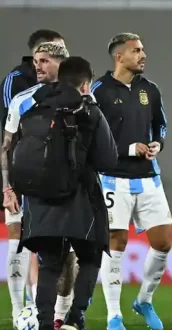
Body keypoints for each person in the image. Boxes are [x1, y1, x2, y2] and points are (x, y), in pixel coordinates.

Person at [7, 56, 117, 330]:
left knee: (50, 264)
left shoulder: (33, 105)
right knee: (91, 257)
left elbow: (13, 149)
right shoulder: (88, 110)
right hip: (80, 198)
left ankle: (44, 324)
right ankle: (75, 318)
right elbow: (108, 160)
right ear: (86, 84)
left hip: (39, 199)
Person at [93, 32, 170, 330]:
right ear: (119, 56)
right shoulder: (99, 90)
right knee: (116, 243)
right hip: (113, 178)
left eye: (142, 50)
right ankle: (114, 314)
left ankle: (144, 300)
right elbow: (93, 136)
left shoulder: (150, 89)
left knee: (163, 243)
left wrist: (157, 144)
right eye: (136, 50)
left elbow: (160, 125)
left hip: (148, 177)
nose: (142, 55)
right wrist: (127, 149)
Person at [1, 41, 78, 328]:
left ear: (61, 63)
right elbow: (6, 146)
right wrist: (7, 188)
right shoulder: (23, 99)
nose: (37, 66)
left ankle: (61, 315)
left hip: (66, 187)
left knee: (67, 256)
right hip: (26, 185)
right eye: (36, 61)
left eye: (44, 61)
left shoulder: (79, 98)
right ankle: (24, 313)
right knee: (24, 244)